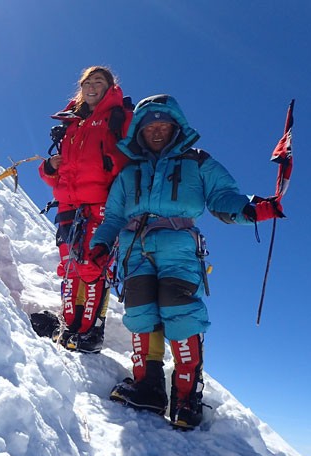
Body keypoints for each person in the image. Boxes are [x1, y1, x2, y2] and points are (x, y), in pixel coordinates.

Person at [88, 94, 284, 429]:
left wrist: (252, 208)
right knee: (140, 311)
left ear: (176, 126)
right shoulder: (128, 173)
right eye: (150, 124)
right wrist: (100, 244)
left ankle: (187, 394)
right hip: (134, 247)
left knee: (180, 310)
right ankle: (148, 386)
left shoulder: (197, 162)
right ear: (140, 130)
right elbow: (113, 217)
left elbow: (223, 197)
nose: (157, 130)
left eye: (164, 123)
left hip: (179, 244)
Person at [37, 66, 133, 353]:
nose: (92, 86)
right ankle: (70, 326)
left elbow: (135, 157)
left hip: (102, 204)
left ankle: (90, 332)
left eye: (98, 81)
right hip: (68, 205)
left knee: (93, 266)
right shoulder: (71, 121)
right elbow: (62, 171)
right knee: (70, 269)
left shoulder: (121, 117)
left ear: (109, 86)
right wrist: (48, 168)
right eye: (87, 82)